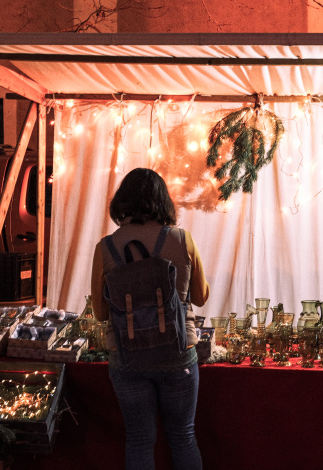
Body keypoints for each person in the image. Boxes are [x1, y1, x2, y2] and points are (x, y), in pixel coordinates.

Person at [91, 168, 210, 470]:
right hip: (178, 355)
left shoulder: (105, 248)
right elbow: (200, 297)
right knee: (183, 436)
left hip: (127, 357)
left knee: (140, 441)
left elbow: (101, 313)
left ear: (121, 202)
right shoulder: (183, 240)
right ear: (163, 202)